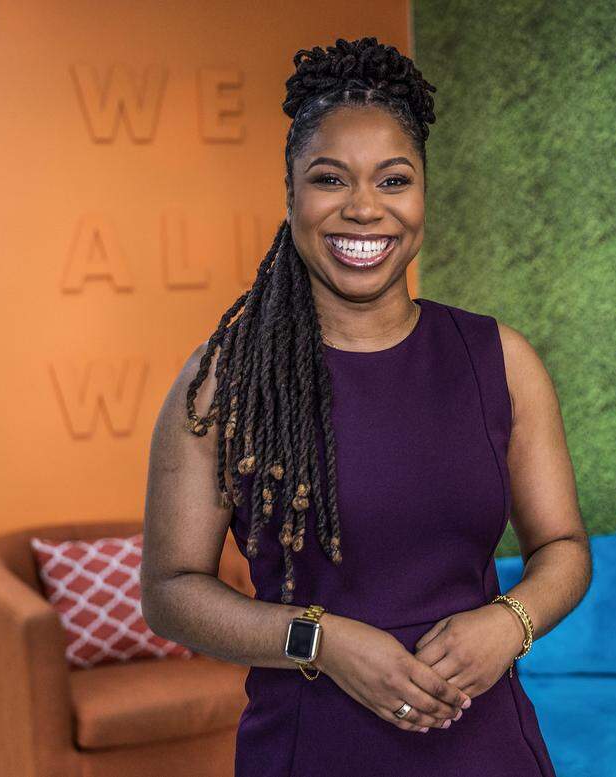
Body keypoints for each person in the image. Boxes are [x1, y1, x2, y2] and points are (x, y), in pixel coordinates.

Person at [141, 36, 589, 776]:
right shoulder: (226, 379)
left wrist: (509, 622)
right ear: (290, 193)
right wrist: (321, 641)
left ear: (422, 194)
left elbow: (564, 548)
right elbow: (171, 590)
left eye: (393, 180)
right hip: (311, 745)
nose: (363, 209)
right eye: (329, 179)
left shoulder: (501, 360)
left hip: (487, 745)